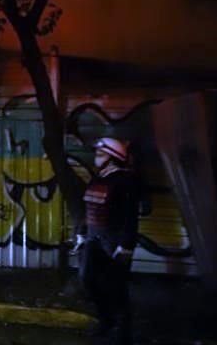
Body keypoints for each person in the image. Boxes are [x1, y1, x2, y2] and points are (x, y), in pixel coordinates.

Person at [75, 137, 140, 345]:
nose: (97, 158)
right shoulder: (98, 179)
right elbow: (89, 208)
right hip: (93, 239)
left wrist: (125, 246)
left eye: (101, 154)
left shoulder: (125, 181)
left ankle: (122, 331)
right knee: (87, 280)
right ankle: (106, 320)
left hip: (114, 243)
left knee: (116, 288)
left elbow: (130, 217)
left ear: (113, 158)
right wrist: (81, 233)